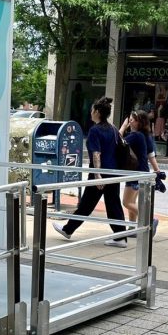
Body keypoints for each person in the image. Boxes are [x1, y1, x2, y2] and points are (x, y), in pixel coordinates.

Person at [53, 97, 127, 247]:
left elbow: (96, 154)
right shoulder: (113, 128)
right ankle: (121, 236)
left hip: (99, 173)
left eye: (92, 110)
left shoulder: (95, 130)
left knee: (87, 204)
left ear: (98, 112)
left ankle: (68, 230)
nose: (90, 113)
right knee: (113, 204)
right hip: (113, 172)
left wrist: (97, 175)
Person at [119, 110, 159, 238]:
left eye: (133, 119)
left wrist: (123, 127)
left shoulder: (135, 136)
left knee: (126, 202)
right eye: (130, 118)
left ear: (139, 122)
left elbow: (118, 141)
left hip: (135, 173)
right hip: (141, 172)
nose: (130, 121)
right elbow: (151, 155)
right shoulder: (145, 135)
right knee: (132, 201)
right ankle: (132, 227)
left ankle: (150, 219)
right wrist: (157, 171)